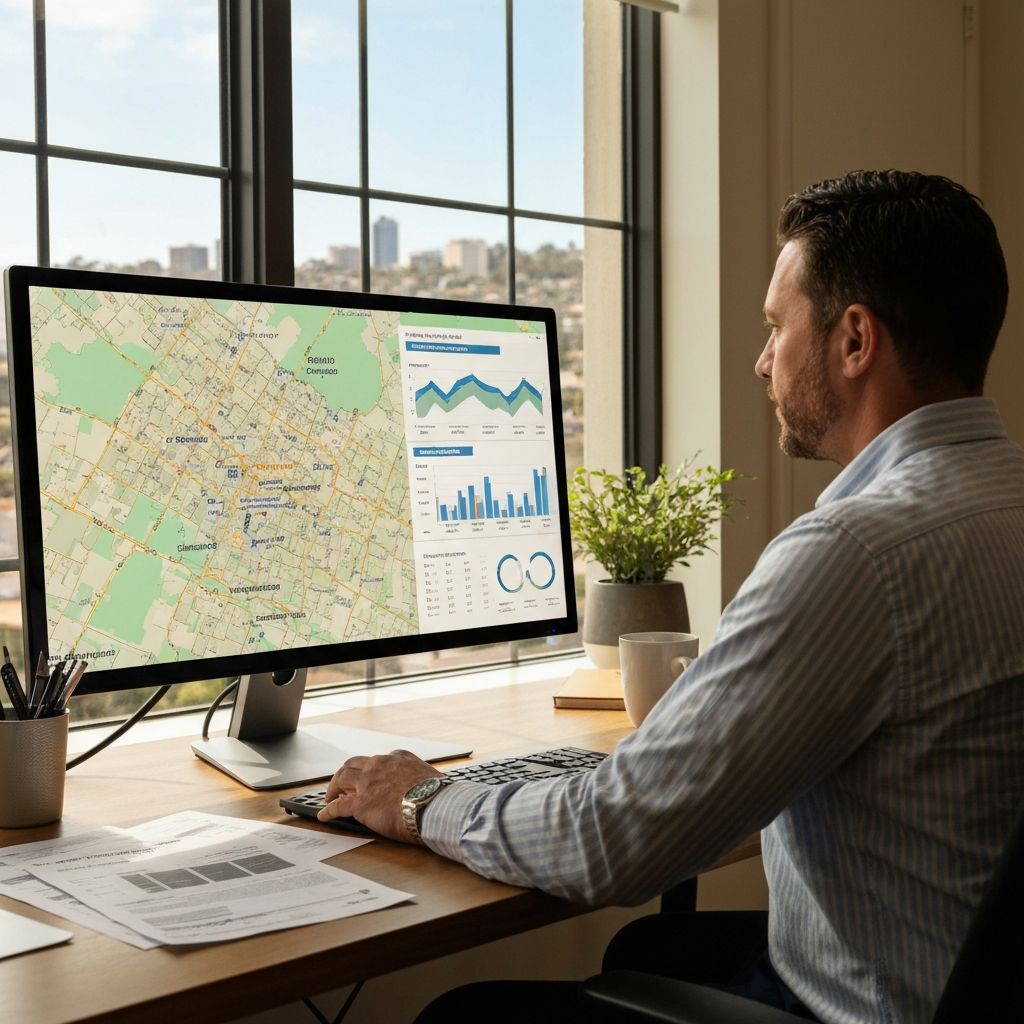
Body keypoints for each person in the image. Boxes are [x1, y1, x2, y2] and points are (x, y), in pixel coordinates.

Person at [318, 170, 1024, 1023]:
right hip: (950, 970)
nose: (764, 360)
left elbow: (609, 846)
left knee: (463, 1015)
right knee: (646, 954)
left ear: (853, 340)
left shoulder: (855, 553)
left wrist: (423, 799)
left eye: (775, 326)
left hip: (868, 1002)